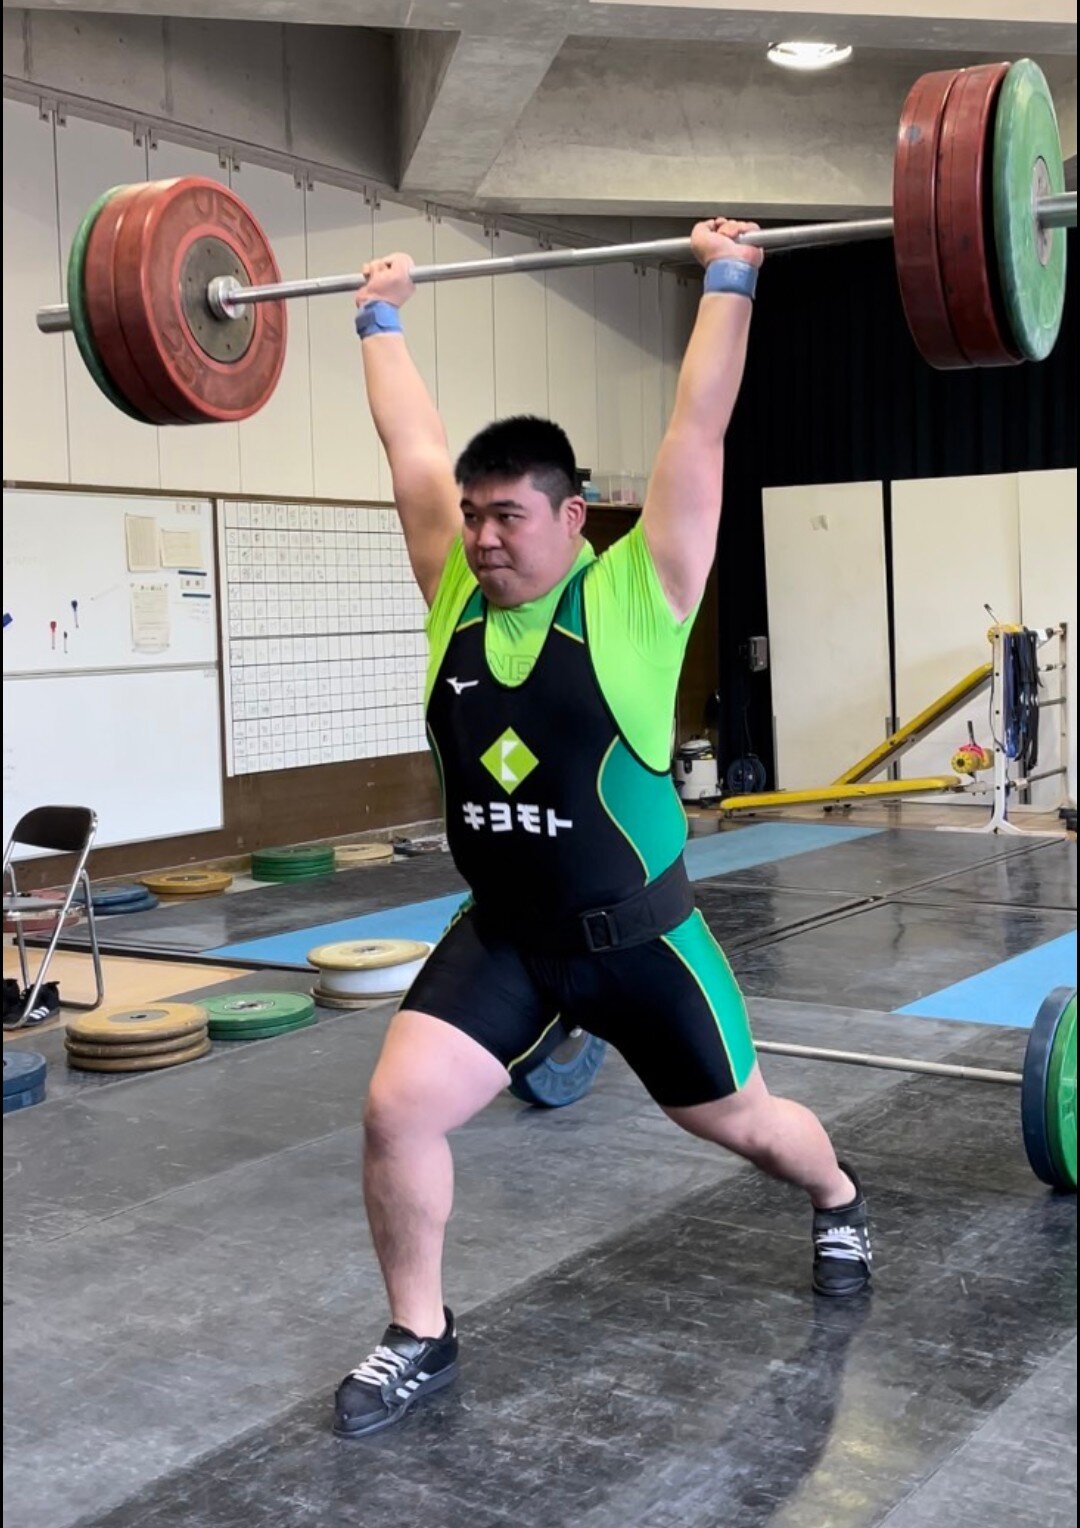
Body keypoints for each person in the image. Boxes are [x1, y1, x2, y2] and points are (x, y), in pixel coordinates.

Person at [334, 217, 872, 1441]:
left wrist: (728, 278)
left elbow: (699, 428)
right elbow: (410, 445)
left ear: (575, 515)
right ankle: (419, 1331)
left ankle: (839, 1196)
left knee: (744, 1124)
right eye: (472, 516)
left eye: (507, 517)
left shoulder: (641, 593)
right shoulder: (454, 595)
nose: (481, 537)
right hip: (507, 938)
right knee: (395, 1107)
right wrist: (378, 314)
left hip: (640, 942)